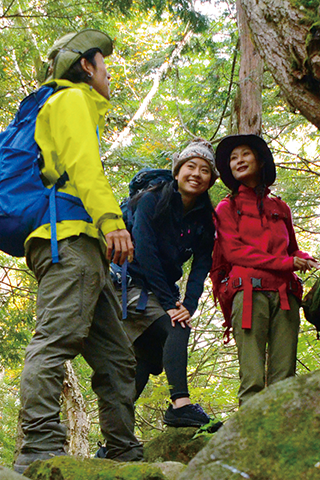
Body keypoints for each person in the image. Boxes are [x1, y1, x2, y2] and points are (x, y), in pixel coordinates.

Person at [14, 29, 142, 473]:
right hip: (68, 240)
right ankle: (40, 450)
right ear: (86, 66)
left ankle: (124, 450)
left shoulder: (66, 103)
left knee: (117, 358)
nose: (109, 75)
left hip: (78, 246)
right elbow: (83, 167)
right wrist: (112, 221)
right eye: (104, 66)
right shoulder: (70, 99)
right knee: (56, 341)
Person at [209, 134, 320, 405]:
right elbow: (234, 252)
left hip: (285, 296)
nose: (238, 161)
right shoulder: (227, 207)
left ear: (260, 161)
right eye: (233, 158)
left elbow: (292, 248)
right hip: (249, 295)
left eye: (244, 154)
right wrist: (287, 263)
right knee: (253, 379)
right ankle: (248, 442)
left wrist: (304, 258)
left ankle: (284, 437)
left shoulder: (280, 207)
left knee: (285, 379)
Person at [119, 138, 217, 427]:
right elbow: (145, 250)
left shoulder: (204, 219)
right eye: (190, 166)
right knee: (176, 326)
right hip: (133, 284)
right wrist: (170, 305)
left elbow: (201, 264)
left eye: (204, 170)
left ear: (211, 181)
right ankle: (180, 405)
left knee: (145, 362)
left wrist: (188, 304)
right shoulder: (151, 199)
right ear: (177, 171)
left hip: (161, 290)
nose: (196, 174)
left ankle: (116, 436)